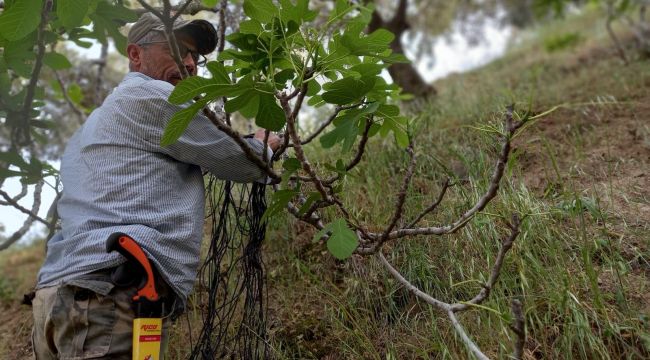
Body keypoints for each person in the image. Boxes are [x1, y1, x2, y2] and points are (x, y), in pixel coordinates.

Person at [31, 13, 280, 359]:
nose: (190, 63)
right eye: (178, 49)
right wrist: (265, 145)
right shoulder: (151, 96)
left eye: (195, 56)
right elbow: (237, 159)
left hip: (60, 297)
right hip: (108, 296)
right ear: (135, 54)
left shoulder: (94, 123)